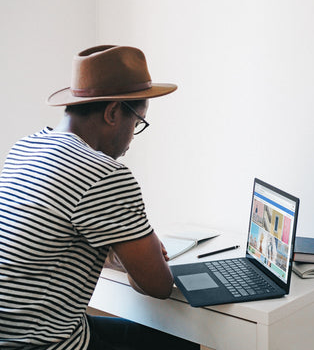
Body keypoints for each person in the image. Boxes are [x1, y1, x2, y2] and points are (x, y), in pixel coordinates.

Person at [0, 45, 199, 350]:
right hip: (44, 344)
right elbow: (158, 285)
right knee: (184, 342)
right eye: (137, 124)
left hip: (16, 333)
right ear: (112, 113)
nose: (132, 138)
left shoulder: (25, 148)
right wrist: (138, 253)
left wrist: (122, 247)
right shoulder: (104, 173)